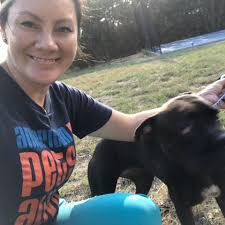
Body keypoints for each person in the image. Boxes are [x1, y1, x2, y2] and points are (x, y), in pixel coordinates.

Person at [0, 0, 225, 225]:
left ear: (77, 36)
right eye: (29, 23)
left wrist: (199, 101)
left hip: (51, 214)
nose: (47, 43)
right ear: (3, 28)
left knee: (140, 212)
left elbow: (129, 125)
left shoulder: (64, 97)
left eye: (63, 28)